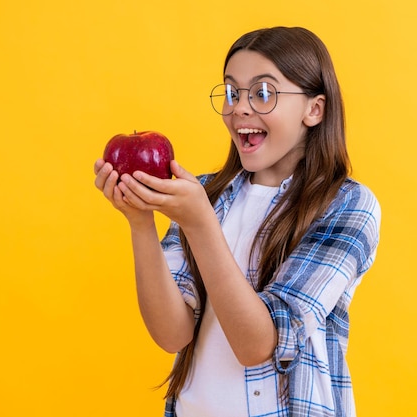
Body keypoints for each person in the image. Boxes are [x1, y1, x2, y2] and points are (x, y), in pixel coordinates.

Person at [94, 26, 381, 417]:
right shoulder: (206, 194)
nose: (240, 108)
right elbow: (172, 333)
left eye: (263, 93)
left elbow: (258, 345)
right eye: (232, 92)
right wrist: (140, 221)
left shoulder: (346, 206)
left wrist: (199, 224)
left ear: (314, 109)